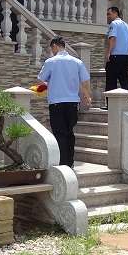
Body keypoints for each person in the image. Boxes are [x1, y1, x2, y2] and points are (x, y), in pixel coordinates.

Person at [37, 36, 92, 168]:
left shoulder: (50, 62)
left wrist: (45, 87)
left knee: (59, 133)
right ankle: (70, 162)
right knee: (69, 132)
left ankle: (62, 164)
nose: (52, 51)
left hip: (56, 103)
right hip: (72, 103)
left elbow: (41, 80)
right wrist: (87, 97)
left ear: (55, 46)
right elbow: (85, 81)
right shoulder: (77, 62)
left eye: (52, 49)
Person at [104, 7, 128, 107]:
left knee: (111, 82)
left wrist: (108, 53)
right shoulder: (127, 26)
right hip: (126, 57)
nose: (107, 16)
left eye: (109, 14)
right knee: (124, 81)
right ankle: (127, 104)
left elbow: (113, 38)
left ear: (116, 13)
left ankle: (110, 106)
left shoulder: (114, 24)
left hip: (115, 56)